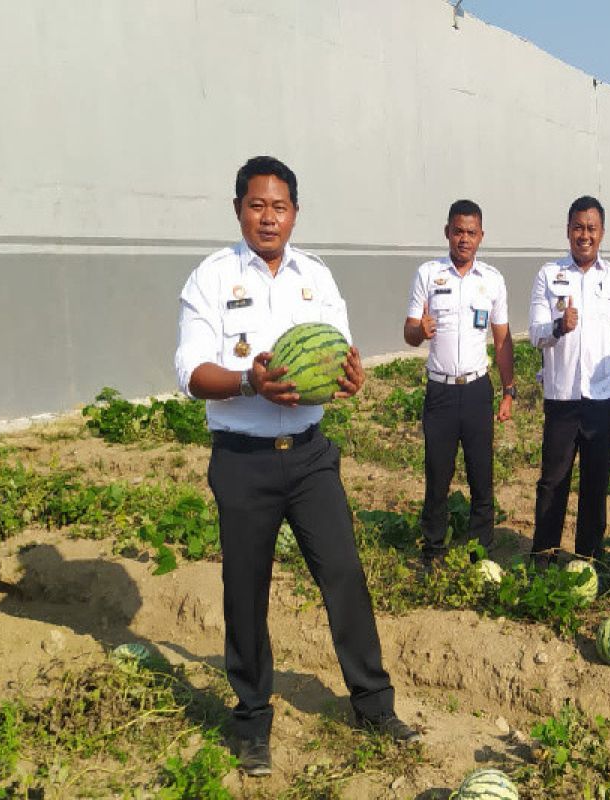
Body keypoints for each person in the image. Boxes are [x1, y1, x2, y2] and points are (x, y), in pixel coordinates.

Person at [174, 156, 419, 777]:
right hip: (243, 462)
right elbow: (192, 374)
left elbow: (338, 356)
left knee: (345, 578)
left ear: (294, 213)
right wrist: (248, 384)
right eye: (257, 205)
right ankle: (252, 720)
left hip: (310, 458)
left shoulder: (318, 277)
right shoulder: (211, 278)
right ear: (238, 210)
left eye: (279, 207)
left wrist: (351, 378)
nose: (268, 217)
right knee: (245, 594)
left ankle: (374, 704)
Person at [528, 195, 610, 564]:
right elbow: (534, 334)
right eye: (578, 227)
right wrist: (560, 326)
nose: (584, 235)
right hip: (561, 398)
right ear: (568, 231)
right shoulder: (549, 275)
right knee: (553, 483)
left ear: (602, 233)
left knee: (596, 484)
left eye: (591, 228)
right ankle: (544, 555)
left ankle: (588, 561)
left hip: (603, 399)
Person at [403, 200, 515, 565]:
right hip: (441, 392)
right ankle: (433, 549)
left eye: (471, 232)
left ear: (481, 236)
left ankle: (479, 550)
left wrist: (508, 390)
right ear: (447, 232)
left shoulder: (492, 281)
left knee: (482, 474)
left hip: (477, 390)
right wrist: (419, 330)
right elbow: (408, 333)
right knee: (437, 473)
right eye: (458, 231)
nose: (464, 239)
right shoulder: (427, 275)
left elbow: (502, 340)